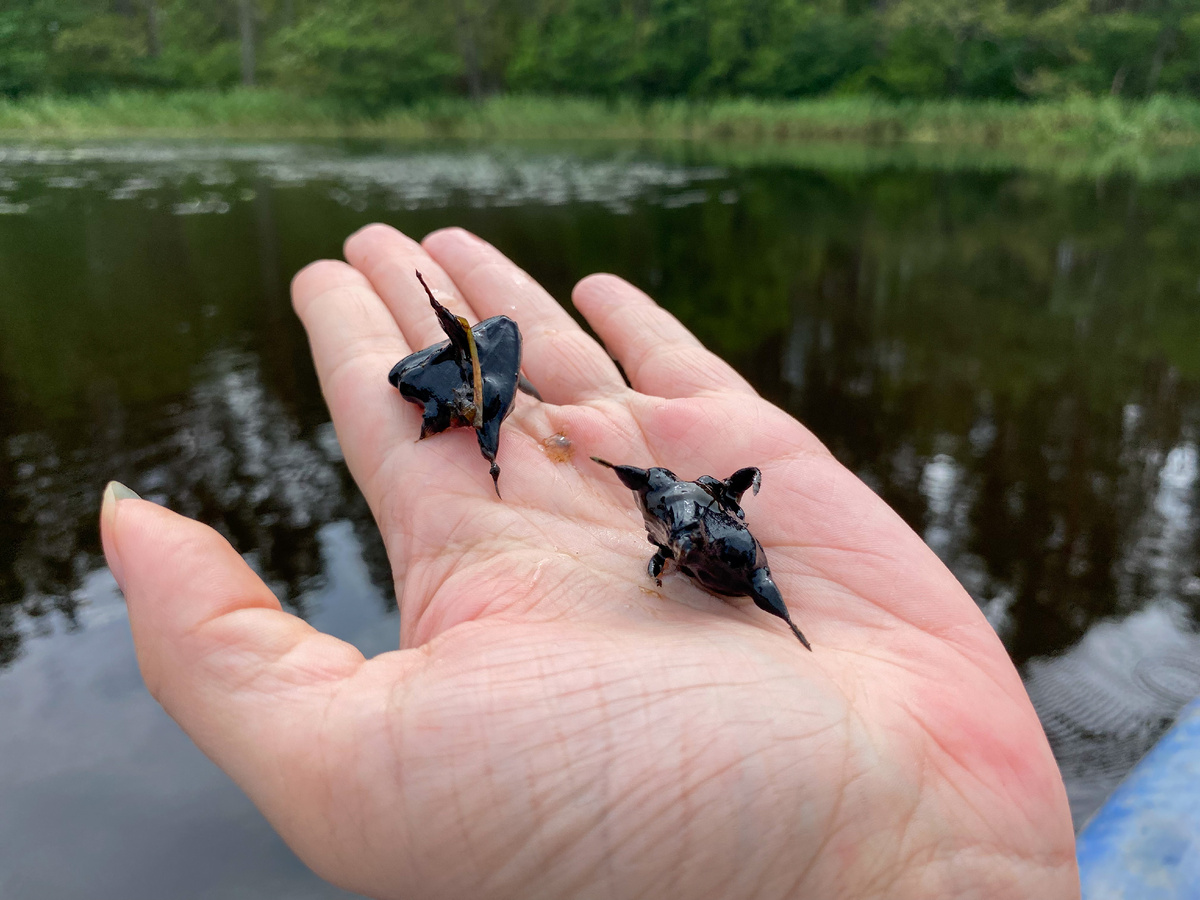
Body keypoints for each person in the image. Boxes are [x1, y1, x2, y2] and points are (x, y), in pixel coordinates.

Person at [99, 224, 1080, 899]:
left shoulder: (691, 522)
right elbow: (693, 501)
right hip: (694, 526)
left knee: (702, 535)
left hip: (706, 535)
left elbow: (709, 507)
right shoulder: (667, 505)